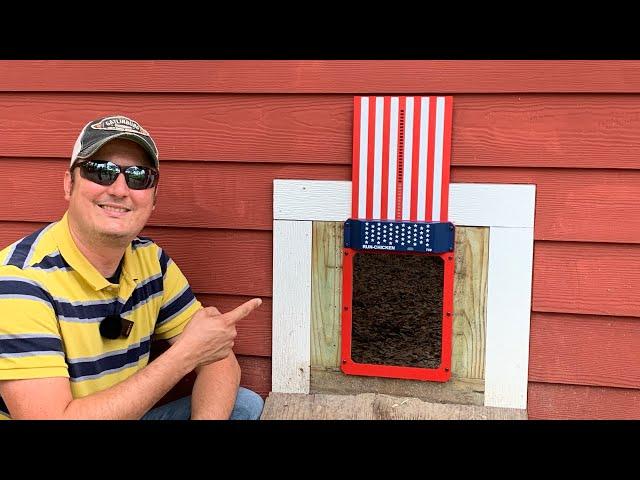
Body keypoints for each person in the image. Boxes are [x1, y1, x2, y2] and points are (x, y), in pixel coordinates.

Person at [0, 115, 264, 420]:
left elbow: (218, 359)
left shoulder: (151, 262)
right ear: (68, 184)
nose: (120, 189)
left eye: (139, 176)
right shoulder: (19, 281)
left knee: (243, 405)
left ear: (153, 199)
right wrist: (184, 355)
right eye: (101, 172)